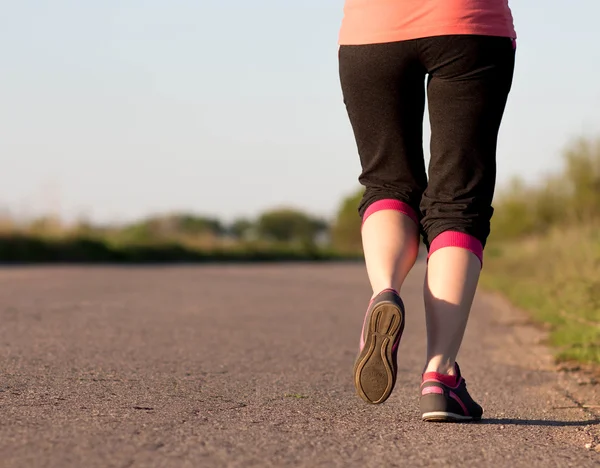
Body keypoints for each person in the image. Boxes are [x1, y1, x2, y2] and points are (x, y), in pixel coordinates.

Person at [338, 1, 516, 422]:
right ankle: (440, 375)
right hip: (471, 26)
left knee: (387, 183)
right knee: (458, 203)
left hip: (372, 30)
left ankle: (386, 289)